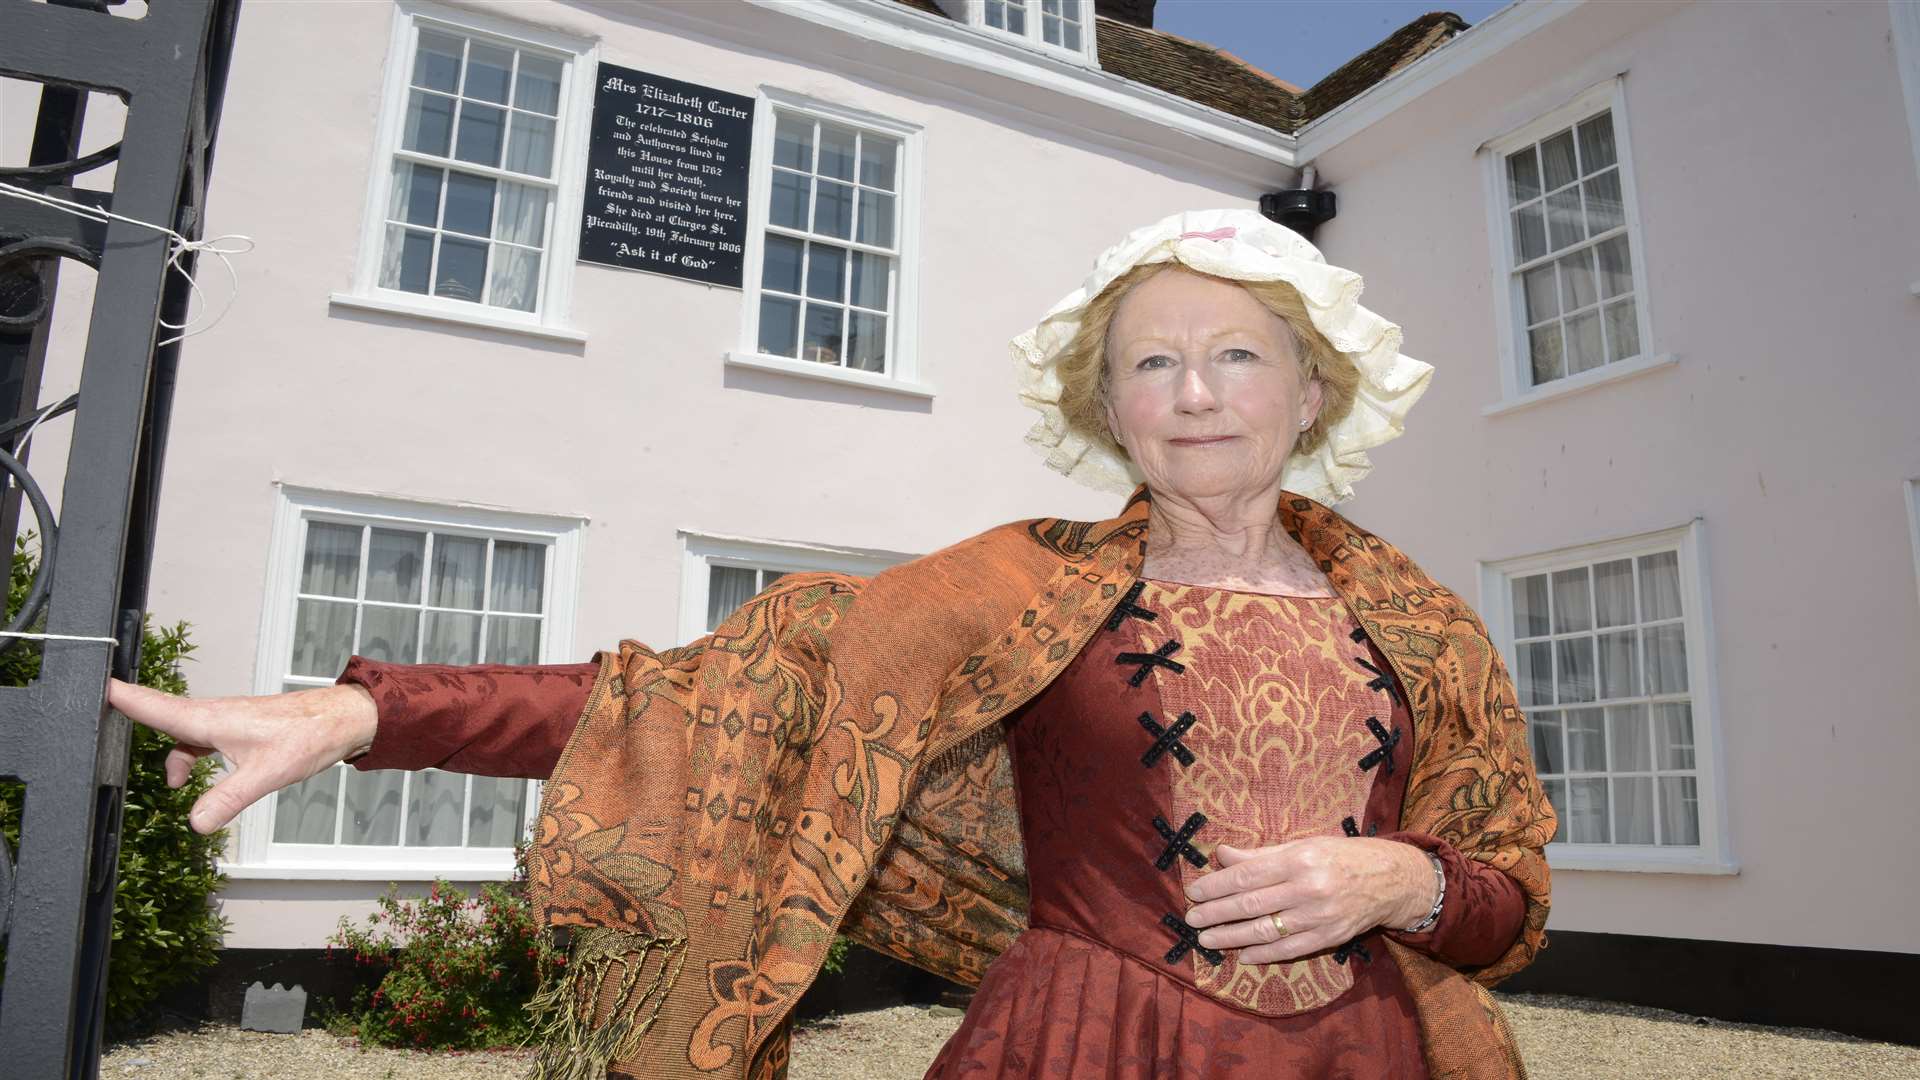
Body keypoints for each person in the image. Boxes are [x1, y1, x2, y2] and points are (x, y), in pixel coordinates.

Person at [114, 208, 1555, 1080]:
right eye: (1150, 362)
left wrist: (1408, 874)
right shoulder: (1018, 597)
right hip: (1083, 1043)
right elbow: (706, 705)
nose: (1194, 393)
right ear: (1107, 408)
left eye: (1237, 353)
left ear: (1311, 394)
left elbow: (1509, 900)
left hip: (1367, 1055)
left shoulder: (1419, 627)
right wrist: (362, 717)